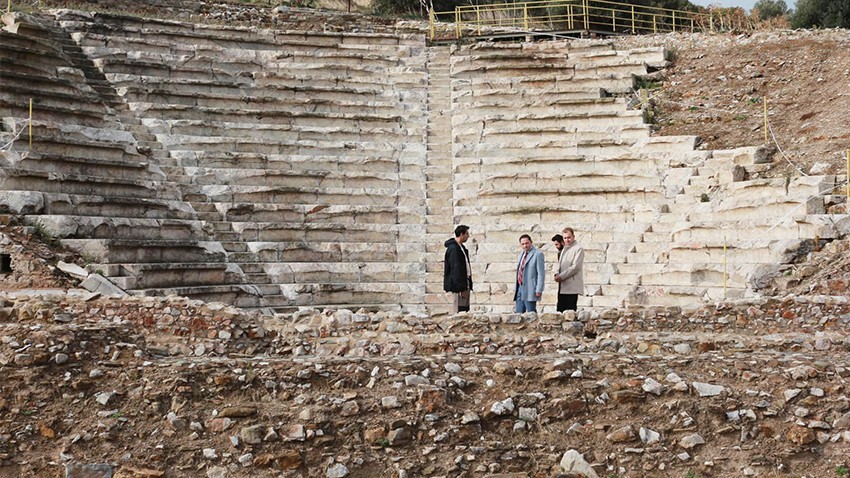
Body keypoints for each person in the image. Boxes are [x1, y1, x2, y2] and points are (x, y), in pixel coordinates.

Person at [552, 227, 584, 312]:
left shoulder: (578, 249)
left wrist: (561, 276)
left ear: (573, 237)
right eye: (565, 238)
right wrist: (556, 274)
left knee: (570, 312)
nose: (567, 240)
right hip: (562, 286)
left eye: (569, 237)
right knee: (560, 311)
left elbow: (575, 267)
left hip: (571, 287)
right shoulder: (564, 249)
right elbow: (560, 264)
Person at [444, 225, 472, 313]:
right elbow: (455, 269)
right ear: (461, 234)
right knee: (459, 310)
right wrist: (461, 288)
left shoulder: (461, 248)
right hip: (458, 286)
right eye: (467, 234)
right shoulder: (454, 249)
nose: (468, 236)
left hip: (464, 283)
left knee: (464, 308)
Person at [513, 234, 545, 313]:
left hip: (530, 289)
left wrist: (539, 289)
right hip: (520, 288)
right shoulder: (521, 254)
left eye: (527, 243)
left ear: (531, 242)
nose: (525, 246)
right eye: (523, 244)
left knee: (531, 313)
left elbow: (541, 274)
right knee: (518, 314)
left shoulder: (537, 254)